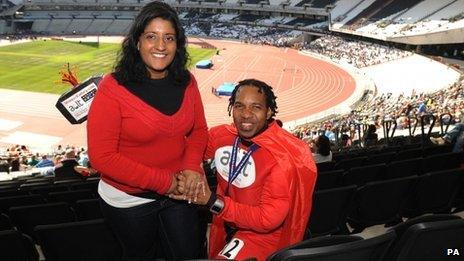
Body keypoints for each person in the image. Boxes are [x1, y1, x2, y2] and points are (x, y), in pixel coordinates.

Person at [87, 2, 208, 260]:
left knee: (189, 253)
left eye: (169, 38)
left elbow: (198, 130)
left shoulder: (187, 80)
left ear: (178, 44)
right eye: (151, 36)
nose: (161, 46)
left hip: (180, 191)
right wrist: (164, 182)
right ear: (137, 42)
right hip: (130, 200)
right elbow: (102, 157)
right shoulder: (113, 87)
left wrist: (189, 168)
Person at [171, 79, 317, 260]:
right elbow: (191, 148)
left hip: (262, 236)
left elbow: (267, 219)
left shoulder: (280, 157)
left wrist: (212, 202)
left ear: (269, 111)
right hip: (224, 221)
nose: (245, 114)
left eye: (255, 107)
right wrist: (191, 169)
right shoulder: (222, 135)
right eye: (239, 106)